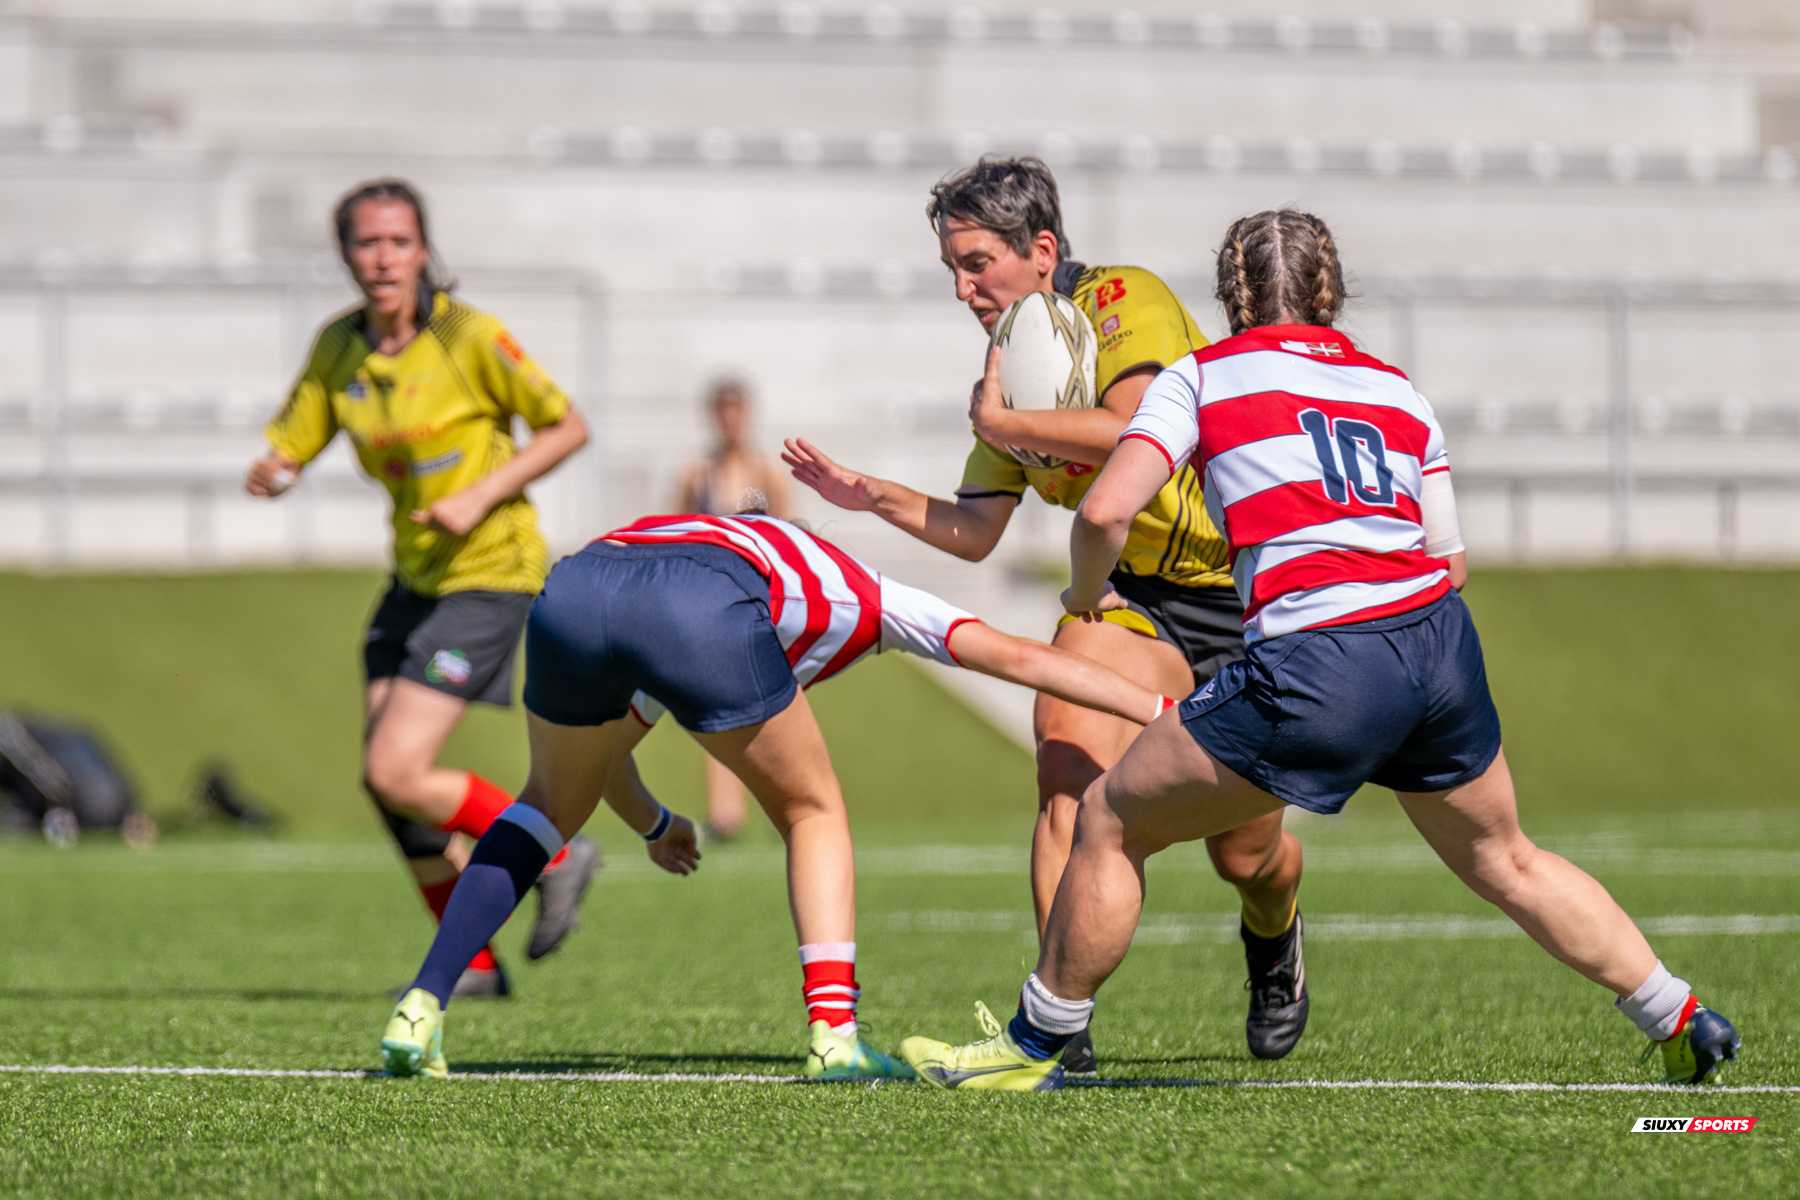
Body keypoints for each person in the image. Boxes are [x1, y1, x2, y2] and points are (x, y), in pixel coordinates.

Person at [900, 209, 1742, 1091]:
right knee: (1509, 860)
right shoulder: (1396, 388)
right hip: (1438, 650)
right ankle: (1679, 1013)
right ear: (1329, 291)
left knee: (1109, 819)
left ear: (1230, 296)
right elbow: (1449, 563)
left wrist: (1080, 596)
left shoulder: (1203, 375)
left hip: (1318, 660)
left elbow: (1108, 510)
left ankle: (1030, 1050)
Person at [783, 157, 1309, 1071]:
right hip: (1130, 599)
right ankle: (1060, 1034)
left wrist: (1004, 425)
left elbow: (1133, 423)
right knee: (1066, 766)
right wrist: (867, 494)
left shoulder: (1120, 300)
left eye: (976, 262)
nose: (962, 288)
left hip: (1246, 592)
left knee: (1248, 854)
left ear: (1042, 250)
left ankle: (1275, 942)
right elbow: (976, 529)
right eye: (951, 266)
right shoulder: (1011, 362)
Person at [378, 511, 1182, 1081]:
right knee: (812, 810)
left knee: (546, 805)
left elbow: (605, 763)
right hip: (698, 608)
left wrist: (659, 824)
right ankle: (834, 1036)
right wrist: (1155, 710)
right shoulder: (857, 588)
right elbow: (1015, 658)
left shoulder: (691, 536)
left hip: (577, 586)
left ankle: (422, 1004)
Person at [244, 179, 601, 996]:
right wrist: (276, 469)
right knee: (387, 786)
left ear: (423, 249)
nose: (383, 258)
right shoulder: (340, 347)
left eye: (399, 241)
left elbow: (568, 426)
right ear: (345, 255)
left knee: (398, 768)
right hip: (414, 576)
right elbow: (292, 439)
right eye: (366, 243)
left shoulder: (466, 336)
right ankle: (472, 960)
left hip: (490, 572)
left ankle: (558, 851)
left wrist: (480, 493)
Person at [674, 379, 792, 840]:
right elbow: (676, 532)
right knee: (714, 705)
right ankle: (726, 812)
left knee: (767, 705)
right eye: (722, 412)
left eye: (736, 411)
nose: (730, 421)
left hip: (755, 602)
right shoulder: (696, 474)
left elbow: (787, 538)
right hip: (708, 602)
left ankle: (778, 798)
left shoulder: (765, 475)